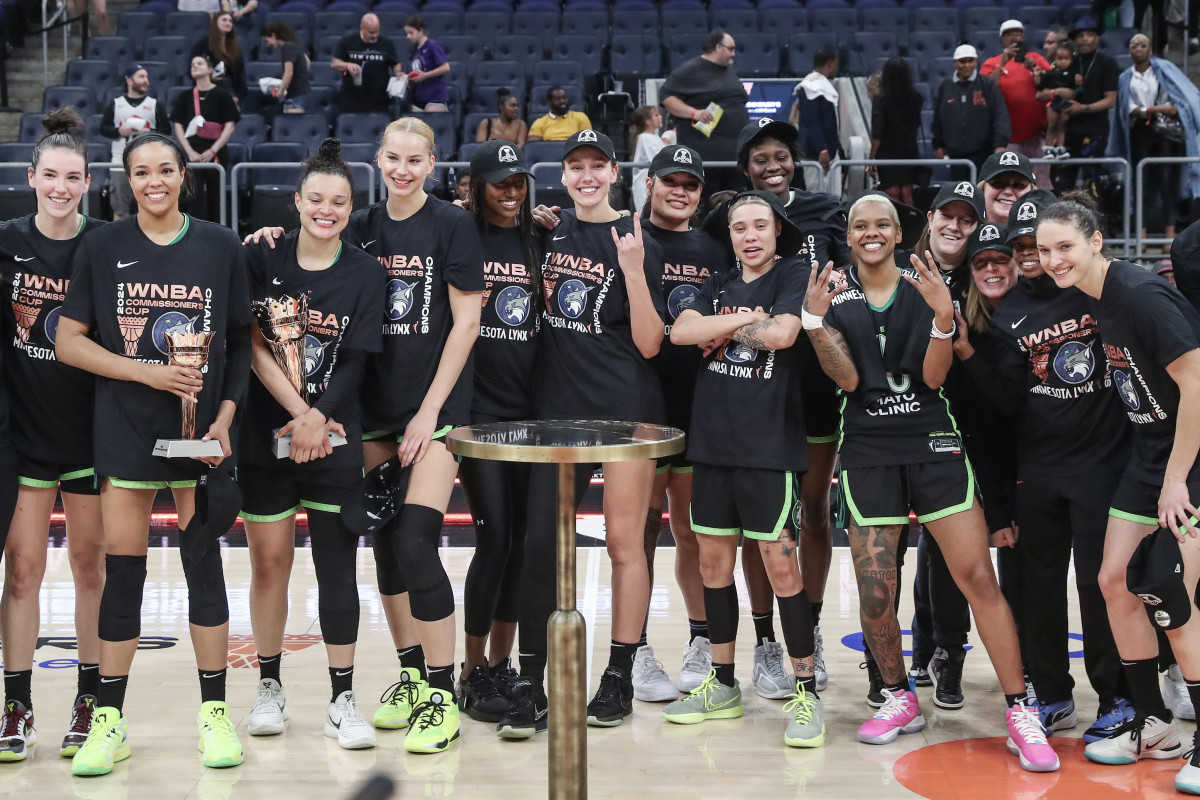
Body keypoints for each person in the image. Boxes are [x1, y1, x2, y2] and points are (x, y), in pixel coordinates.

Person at [802, 192, 1058, 772]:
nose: (871, 233)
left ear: (898, 233)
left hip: (935, 445)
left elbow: (934, 375)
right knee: (874, 589)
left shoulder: (927, 288)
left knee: (975, 578)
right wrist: (816, 323)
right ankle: (898, 696)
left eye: (882, 224)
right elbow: (845, 379)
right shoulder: (834, 295)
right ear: (850, 235)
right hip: (867, 451)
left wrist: (944, 319)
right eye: (860, 225)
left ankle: (1021, 707)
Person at [57, 131, 252, 776]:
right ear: (127, 181)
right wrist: (147, 372)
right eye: (141, 173)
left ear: (184, 174)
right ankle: (109, 722)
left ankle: (215, 716)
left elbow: (241, 343)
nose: (154, 182)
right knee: (125, 573)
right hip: (126, 430)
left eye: (165, 169)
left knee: (203, 567)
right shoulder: (102, 245)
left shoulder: (221, 247)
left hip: (199, 436)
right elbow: (67, 341)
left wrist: (224, 416)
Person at [499, 129, 666, 737]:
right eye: (576, 167)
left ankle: (618, 674)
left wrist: (634, 269)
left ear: (616, 171)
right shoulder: (548, 230)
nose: (587, 175)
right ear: (563, 175)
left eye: (598, 165)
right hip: (555, 412)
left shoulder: (636, 233)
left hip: (626, 409)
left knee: (625, 543)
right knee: (543, 545)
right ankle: (530, 683)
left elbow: (651, 342)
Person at [1035, 194, 1200, 795]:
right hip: (1147, 459)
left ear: (1096, 241)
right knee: (1113, 581)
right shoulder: (1094, 298)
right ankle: (1152, 720)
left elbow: (1197, 383)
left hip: (1188, 460)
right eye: (1045, 250)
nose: (1054, 260)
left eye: (1065, 247)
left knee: (1173, 596)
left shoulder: (1139, 294)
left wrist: (1179, 477)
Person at [239, 138, 384, 750]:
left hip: (335, 438)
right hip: (267, 435)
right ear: (297, 201)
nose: (327, 209)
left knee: (336, 568)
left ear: (352, 208)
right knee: (269, 564)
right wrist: (302, 416)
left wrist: (318, 420)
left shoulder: (365, 273)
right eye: (316, 199)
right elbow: (250, 346)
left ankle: (342, 698)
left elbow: (355, 364)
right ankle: (268, 688)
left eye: (340, 202)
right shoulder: (260, 259)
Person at [665, 189, 822, 747]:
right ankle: (724, 683)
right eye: (739, 228)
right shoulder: (719, 282)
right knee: (712, 566)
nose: (750, 236)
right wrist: (743, 318)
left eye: (760, 225)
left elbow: (784, 334)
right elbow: (680, 331)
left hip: (768, 448)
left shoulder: (795, 273)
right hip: (712, 446)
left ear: (777, 230)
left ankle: (806, 695)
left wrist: (722, 325)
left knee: (783, 570)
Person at [980, 189, 1132, 743]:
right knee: (1037, 590)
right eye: (1026, 247)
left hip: (1105, 465)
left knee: (1103, 587)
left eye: (1041, 244)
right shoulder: (1011, 311)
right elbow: (1004, 409)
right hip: (1037, 471)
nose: (1035, 257)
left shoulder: (1102, 289)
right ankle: (1054, 695)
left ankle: (1116, 696)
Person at [349, 117, 481, 753]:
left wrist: (430, 413)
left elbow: (466, 323)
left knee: (416, 539)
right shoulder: (363, 225)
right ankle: (408, 674)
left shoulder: (451, 225)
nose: (402, 169)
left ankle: (442, 693)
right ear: (378, 160)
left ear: (433, 163)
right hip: (373, 408)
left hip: (436, 411)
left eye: (415, 160)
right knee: (385, 545)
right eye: (392, 158)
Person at [0, 109, 98, 764]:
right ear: (31, 178)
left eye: (73, 177)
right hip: (23, 435)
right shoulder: (5, 241)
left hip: (93, 437)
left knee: (91, 569)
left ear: (88, 182)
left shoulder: (108, 246)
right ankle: (18, 703)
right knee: (23, 573)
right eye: (50, 176)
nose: (61, 187)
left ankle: (91, 700)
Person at [633, 145, 722, 702]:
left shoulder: (715, 248)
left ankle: (702, 639)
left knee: (691, 531)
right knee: (638, 533)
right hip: (640, 405)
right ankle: (635, 647)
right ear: (649, 183)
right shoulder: (625, 236)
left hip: (699, 404)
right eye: (671, 180)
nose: (680, 191)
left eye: (691, 184)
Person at [455, 140, 539, 724]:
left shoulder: (540, 237)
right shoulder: (459, 235)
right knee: (494, 538)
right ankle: (470, 667)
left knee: (521, 548)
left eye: (518, 184)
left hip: (533, 414)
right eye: (500, 184)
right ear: (476, 185)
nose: (511, 194)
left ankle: (501, 665)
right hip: (480, 415)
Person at [1109, 33, 1200, 252]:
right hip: (1140, 132)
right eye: (1134, 45)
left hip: (1165, 133)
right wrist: (1154, 109)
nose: (1138, 48)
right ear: (1130, 52)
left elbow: (1180, 100)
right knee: (1141, 184)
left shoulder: (1164, 71)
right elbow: (1128, 109)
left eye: (1143, 45)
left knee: (1167, 182)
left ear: (1150, 50)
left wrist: (1147, 110)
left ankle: (1170, 236)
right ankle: (1141, 235)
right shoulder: (1125, 77)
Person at [659, 30, 750, 193]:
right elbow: (666, 96)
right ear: (717, 47)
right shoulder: (691, 69)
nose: (733, 54)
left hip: (733, 154)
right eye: (730, 49)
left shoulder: (728, 69)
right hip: (707, 155)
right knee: (708, 202)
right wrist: (694, 113)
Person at [1047, 18, 1118, 193]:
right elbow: (1045, 90)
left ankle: (1093, 221)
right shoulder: (1070, 62)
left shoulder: (1107, 63)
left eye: (1089, 35)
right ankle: (1061, 220)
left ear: (1097, 38)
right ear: (1075, 40)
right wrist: (1057, 93)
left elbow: (1110, 101)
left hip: (1095, 131)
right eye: (1080, 36)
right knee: (1061, 184)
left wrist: (1084, 108)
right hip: (1069, 130)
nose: (1085, 39)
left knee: (1091, 184)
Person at [980, 20, 1052, 187]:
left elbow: (1052, 84)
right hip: (1008, 139)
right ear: (1001, 39)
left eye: (1018, 33)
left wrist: (1036, 70)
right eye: (1010, 34)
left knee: (1040, 185)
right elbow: (986, 92)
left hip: (1037, 136)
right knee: (1011, 184)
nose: (1014, 37)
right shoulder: (992, 62)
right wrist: (1002, 63)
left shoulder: (1035, 58)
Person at [171, 55, 239, 224]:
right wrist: (189, 151)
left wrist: (212, 150)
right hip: (191, 152)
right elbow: (178, 125)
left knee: (217, 193)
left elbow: (230, 125)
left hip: (216, 152)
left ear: (209, 69)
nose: (195, 66)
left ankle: (219, 229)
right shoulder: (185, 97)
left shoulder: (222, 95)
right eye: (193, 64)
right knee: (194, 194)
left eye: (199, 63)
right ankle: (195, 230)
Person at [100, 63, 172, 220]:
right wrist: (118, 131)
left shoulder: (154, 104)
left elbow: (166, 131)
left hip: (150, 161)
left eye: (147, 77)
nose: (146, 80)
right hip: (120, 161)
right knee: (120, 209)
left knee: (150, 207)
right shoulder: (116, 104)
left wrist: (150, 133)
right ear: (129, 81)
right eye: (141, 76)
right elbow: (103, 128)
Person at [931, 45, 1011, 179]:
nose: (966, 65)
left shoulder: (988, 84)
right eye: (962, 61)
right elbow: (938, 119)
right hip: (956, 158)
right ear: (955, 63)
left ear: (976, 61)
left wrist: (1000, 145)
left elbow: (1000, 115)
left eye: (970, 61)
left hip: (984, 155)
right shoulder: (946, 87)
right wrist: (938, 145)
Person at [869, 57, 922, 207]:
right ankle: (912, 227)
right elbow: (916, 125)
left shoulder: (880, 100)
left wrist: (871, 158)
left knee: (892, 196)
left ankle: (894, 227)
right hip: (909, 151)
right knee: (907, 194)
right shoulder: (916, 98)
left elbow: (878, 132)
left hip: (887, 154)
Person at [332, 14, 403, 116]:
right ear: (362, 28)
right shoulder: (348, 40)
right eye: (371, 32)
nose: (374, 35)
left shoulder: (386, 43)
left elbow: (395, 63)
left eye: (376, 32)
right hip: (351, 97)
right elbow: (335, 63)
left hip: (379, 99)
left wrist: (398, 72)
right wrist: (347, 65)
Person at [790, 47, 842, 172]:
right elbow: (811, 121)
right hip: (815, 155)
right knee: (815, 191)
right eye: (835, 64)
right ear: (829, 64)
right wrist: (822, 149)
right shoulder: (811, 87)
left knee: (832, 191)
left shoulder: (821, 85)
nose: (836, 69)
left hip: (827, 153)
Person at [191, 11, 247, 105]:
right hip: (206, 90)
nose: (228, 23)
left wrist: (238, 97)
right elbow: (191, 68)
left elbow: (240, 73)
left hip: (229, 91)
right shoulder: (203, 43)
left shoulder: (235, 46)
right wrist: (208, 76)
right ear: (215, 23)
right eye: (224, 20)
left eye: (230, 21)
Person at [1038, 43, 1082, 159]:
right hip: (1053, 103)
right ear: (1054, 59)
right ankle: (1049, 149)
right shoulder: (1050, 74)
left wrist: (1078, 80)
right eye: (1059, 58)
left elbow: (1078, 88)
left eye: (1066, 59)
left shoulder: (1074, 74)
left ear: (1071, 60)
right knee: (1051, 125)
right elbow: (1040, 87)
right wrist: (1037, 77)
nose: (1063, 62)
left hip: (1066, 103)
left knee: (1061, 126)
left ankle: (1060, 149)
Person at [404, 16, 450, 113]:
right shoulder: (415, 50)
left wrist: (425, 75)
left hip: (434, 97)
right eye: (407, 33)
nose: (408, 36)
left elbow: (445, 67)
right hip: (419, 98)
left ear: (420, 31)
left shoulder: (432, 45)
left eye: (411, 33)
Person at [262, 23, 310, 114]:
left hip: (297, 95)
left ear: (273, 36)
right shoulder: (294, 45)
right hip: (298, 93)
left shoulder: (287, 47)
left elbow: (288, 72)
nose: (267, 45)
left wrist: (280, 91)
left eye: (267, 41)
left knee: (293, 126)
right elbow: (307, 61)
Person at [979, 150, 1036, 224]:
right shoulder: (966, 233)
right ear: (982, 189)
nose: (1008, 192)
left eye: (1019, 185)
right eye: (998, 184)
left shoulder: (1042, 234)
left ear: (1032, 191)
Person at [630, 105, 665, 212]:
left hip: (654, 180)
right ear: (648, 121)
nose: (660, 117)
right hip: (644, 182)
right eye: (656, 115)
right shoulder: (645, 137)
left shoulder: (655, 137)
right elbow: (658, 158)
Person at [527, 86, 592, 143]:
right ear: (549, 102)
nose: (563, 101)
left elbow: (588, 142)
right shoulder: (539, 122)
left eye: (564, 98)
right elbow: (534, 145)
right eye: (558, 99)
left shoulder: (581, 117)